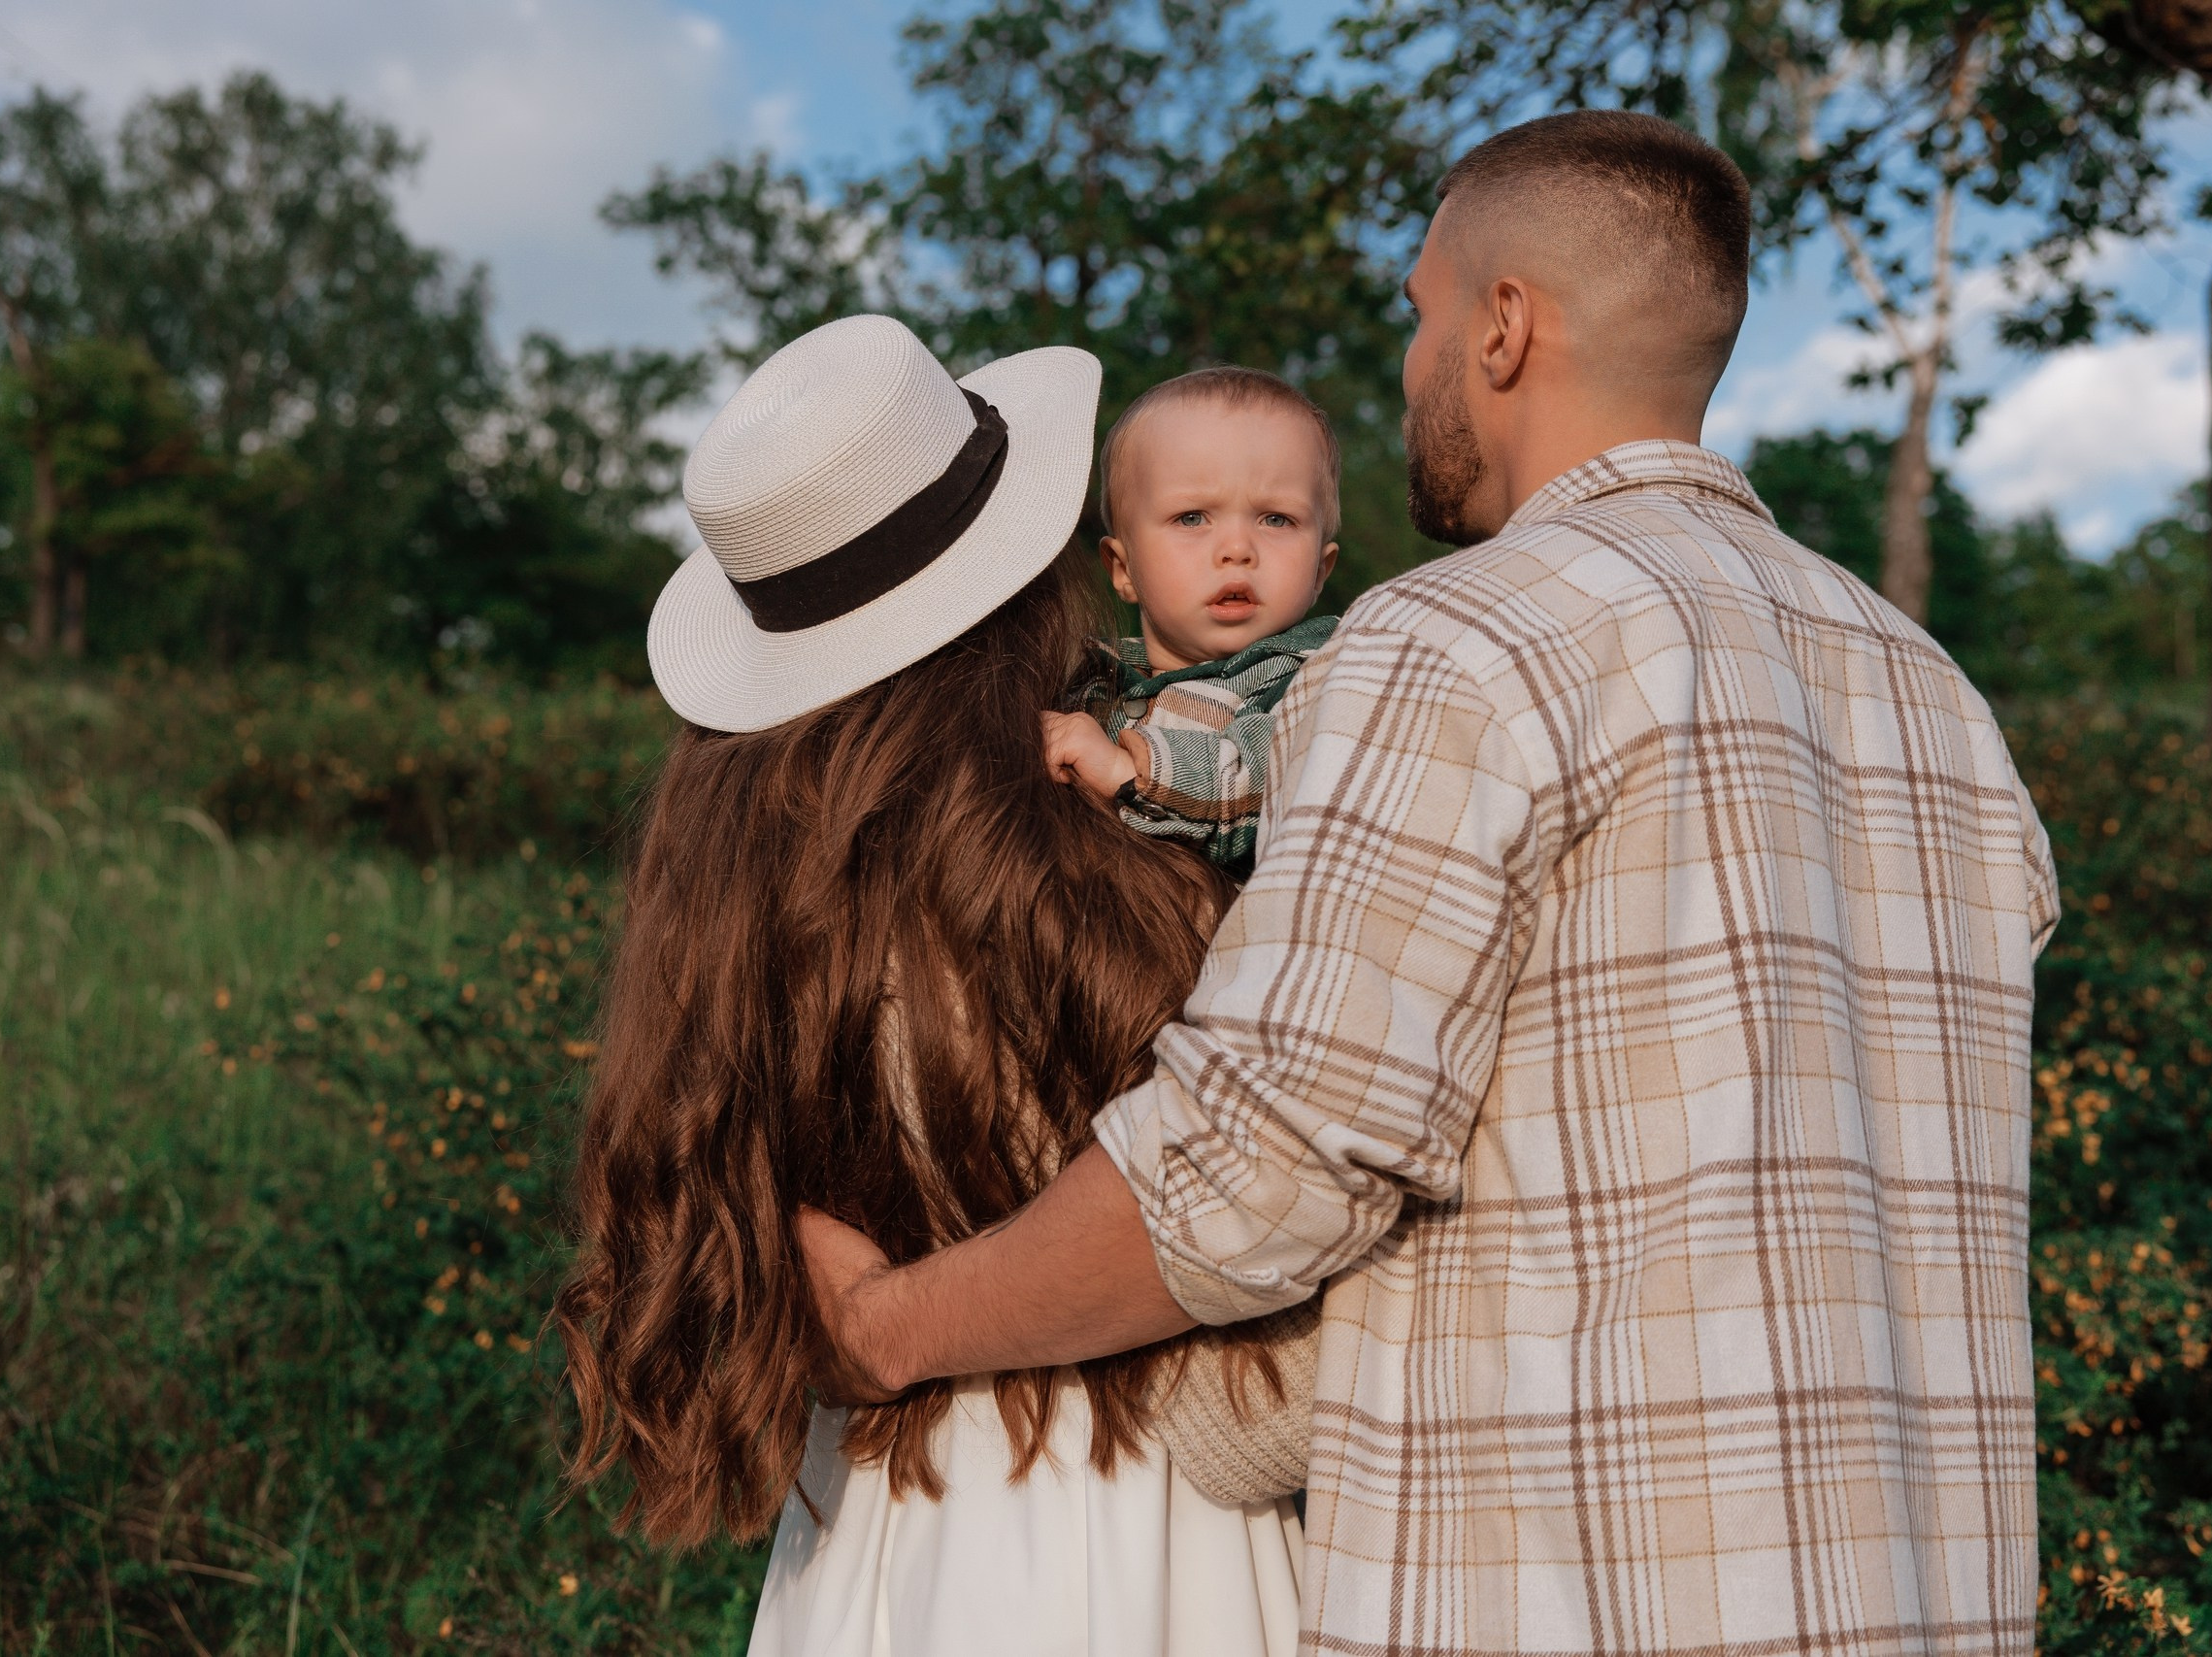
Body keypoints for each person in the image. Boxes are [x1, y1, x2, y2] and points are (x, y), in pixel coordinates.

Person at [797, 111, 2062, 1657]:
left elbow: (1252, 1172)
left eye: (1417, 312)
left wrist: (886, 1325)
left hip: (1587, 1600)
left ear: (1505, 324)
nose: (1410, 366)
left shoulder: (1458, 639)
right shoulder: (1931, 692)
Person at [554, 314, 1305, 1657]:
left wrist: (877, 1323)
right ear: (1039, 567)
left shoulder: (728, 871)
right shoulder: (1105, 841)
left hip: (881, 1503)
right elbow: (1230, 1193)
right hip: (1155, 1489)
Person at [1042, 367, 1342, 878]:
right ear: (1124, 569)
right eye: (1191, 518)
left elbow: (1268, 781)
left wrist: (1124, 771)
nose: (1236, 550)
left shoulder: (1319, 678)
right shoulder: (1084, 680)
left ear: (1320, 569)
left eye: (1276, 519)